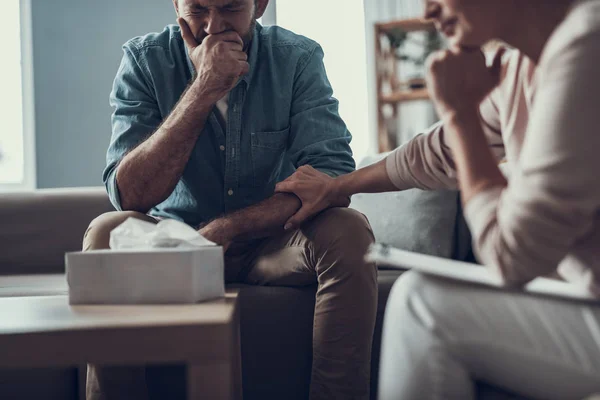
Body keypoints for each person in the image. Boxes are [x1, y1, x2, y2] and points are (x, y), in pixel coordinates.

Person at [277, 0, 600, 398]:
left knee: (422, 306)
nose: (428, 10)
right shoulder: (523, 65)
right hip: (580, 298)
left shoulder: (588, 45)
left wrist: (461, 112)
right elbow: (434, 153)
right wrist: (338, 187)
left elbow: (511, 257)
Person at [83, 0, 377, 399]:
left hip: (269, 244)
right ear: (176, 4)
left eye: (230, 8)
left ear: (260, 5)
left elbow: (332, 174)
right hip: (175, 249)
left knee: (350, 231)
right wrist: (204, 88)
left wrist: (229, 228)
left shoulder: (297, 58)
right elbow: (129, 195)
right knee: (105, 231)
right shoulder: (144, 60)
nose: (211, 27)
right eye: (197, 9)